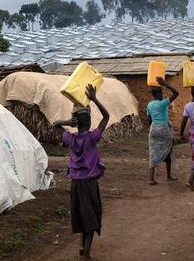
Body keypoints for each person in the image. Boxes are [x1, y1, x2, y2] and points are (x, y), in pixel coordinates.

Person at [53, 84, 109, 260]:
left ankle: (81, 245)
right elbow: (106, 116)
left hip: (76, 183)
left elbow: (55, 125)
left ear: (75, 123)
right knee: (91, 217)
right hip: (89, 183)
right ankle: (87, 253)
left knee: (81, 214)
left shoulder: (70, 138)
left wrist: (66, 123)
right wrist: (93, 98)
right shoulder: (92, 138)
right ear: (90, 121)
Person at [146, 77, 179, 185]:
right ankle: (168, 176)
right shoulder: (163, 103)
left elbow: (149, 120)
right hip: (164, 129)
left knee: (153, 152)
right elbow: (176, 93)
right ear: (159, 94)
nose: (163, 95)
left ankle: (151, 179)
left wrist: (155, 129)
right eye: (162, 93)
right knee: (168, 150)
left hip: (153, 129)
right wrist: (165, 84)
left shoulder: (149, 105)